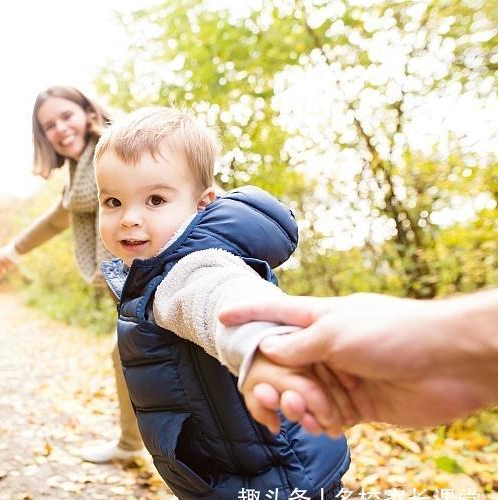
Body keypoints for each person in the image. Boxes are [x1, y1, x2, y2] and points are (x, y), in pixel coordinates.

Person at [95, 107, 349, 499]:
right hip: (248, 470)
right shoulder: (154, 270)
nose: (129, 218)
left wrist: (262, 344)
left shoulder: (191, 267)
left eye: (156, 199)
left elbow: (222, 299)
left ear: (202, 204)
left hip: (272, 480)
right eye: (112, 202)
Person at [0, 85, 145, 463]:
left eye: (66, 116)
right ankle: (131, 443)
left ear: (87, 112)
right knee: (127, 354)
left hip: (163, 274)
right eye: (48, 125)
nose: (59, 129)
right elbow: (55, 219)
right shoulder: (79, 177)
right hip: (130, 286)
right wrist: (13, 249)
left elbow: (178, 183)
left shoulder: (121, 148)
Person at [217, 288, 498, 434]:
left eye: (168, 198)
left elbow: (219, 290)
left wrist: (256, 340)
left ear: (204, 201)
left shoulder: (202, 253)